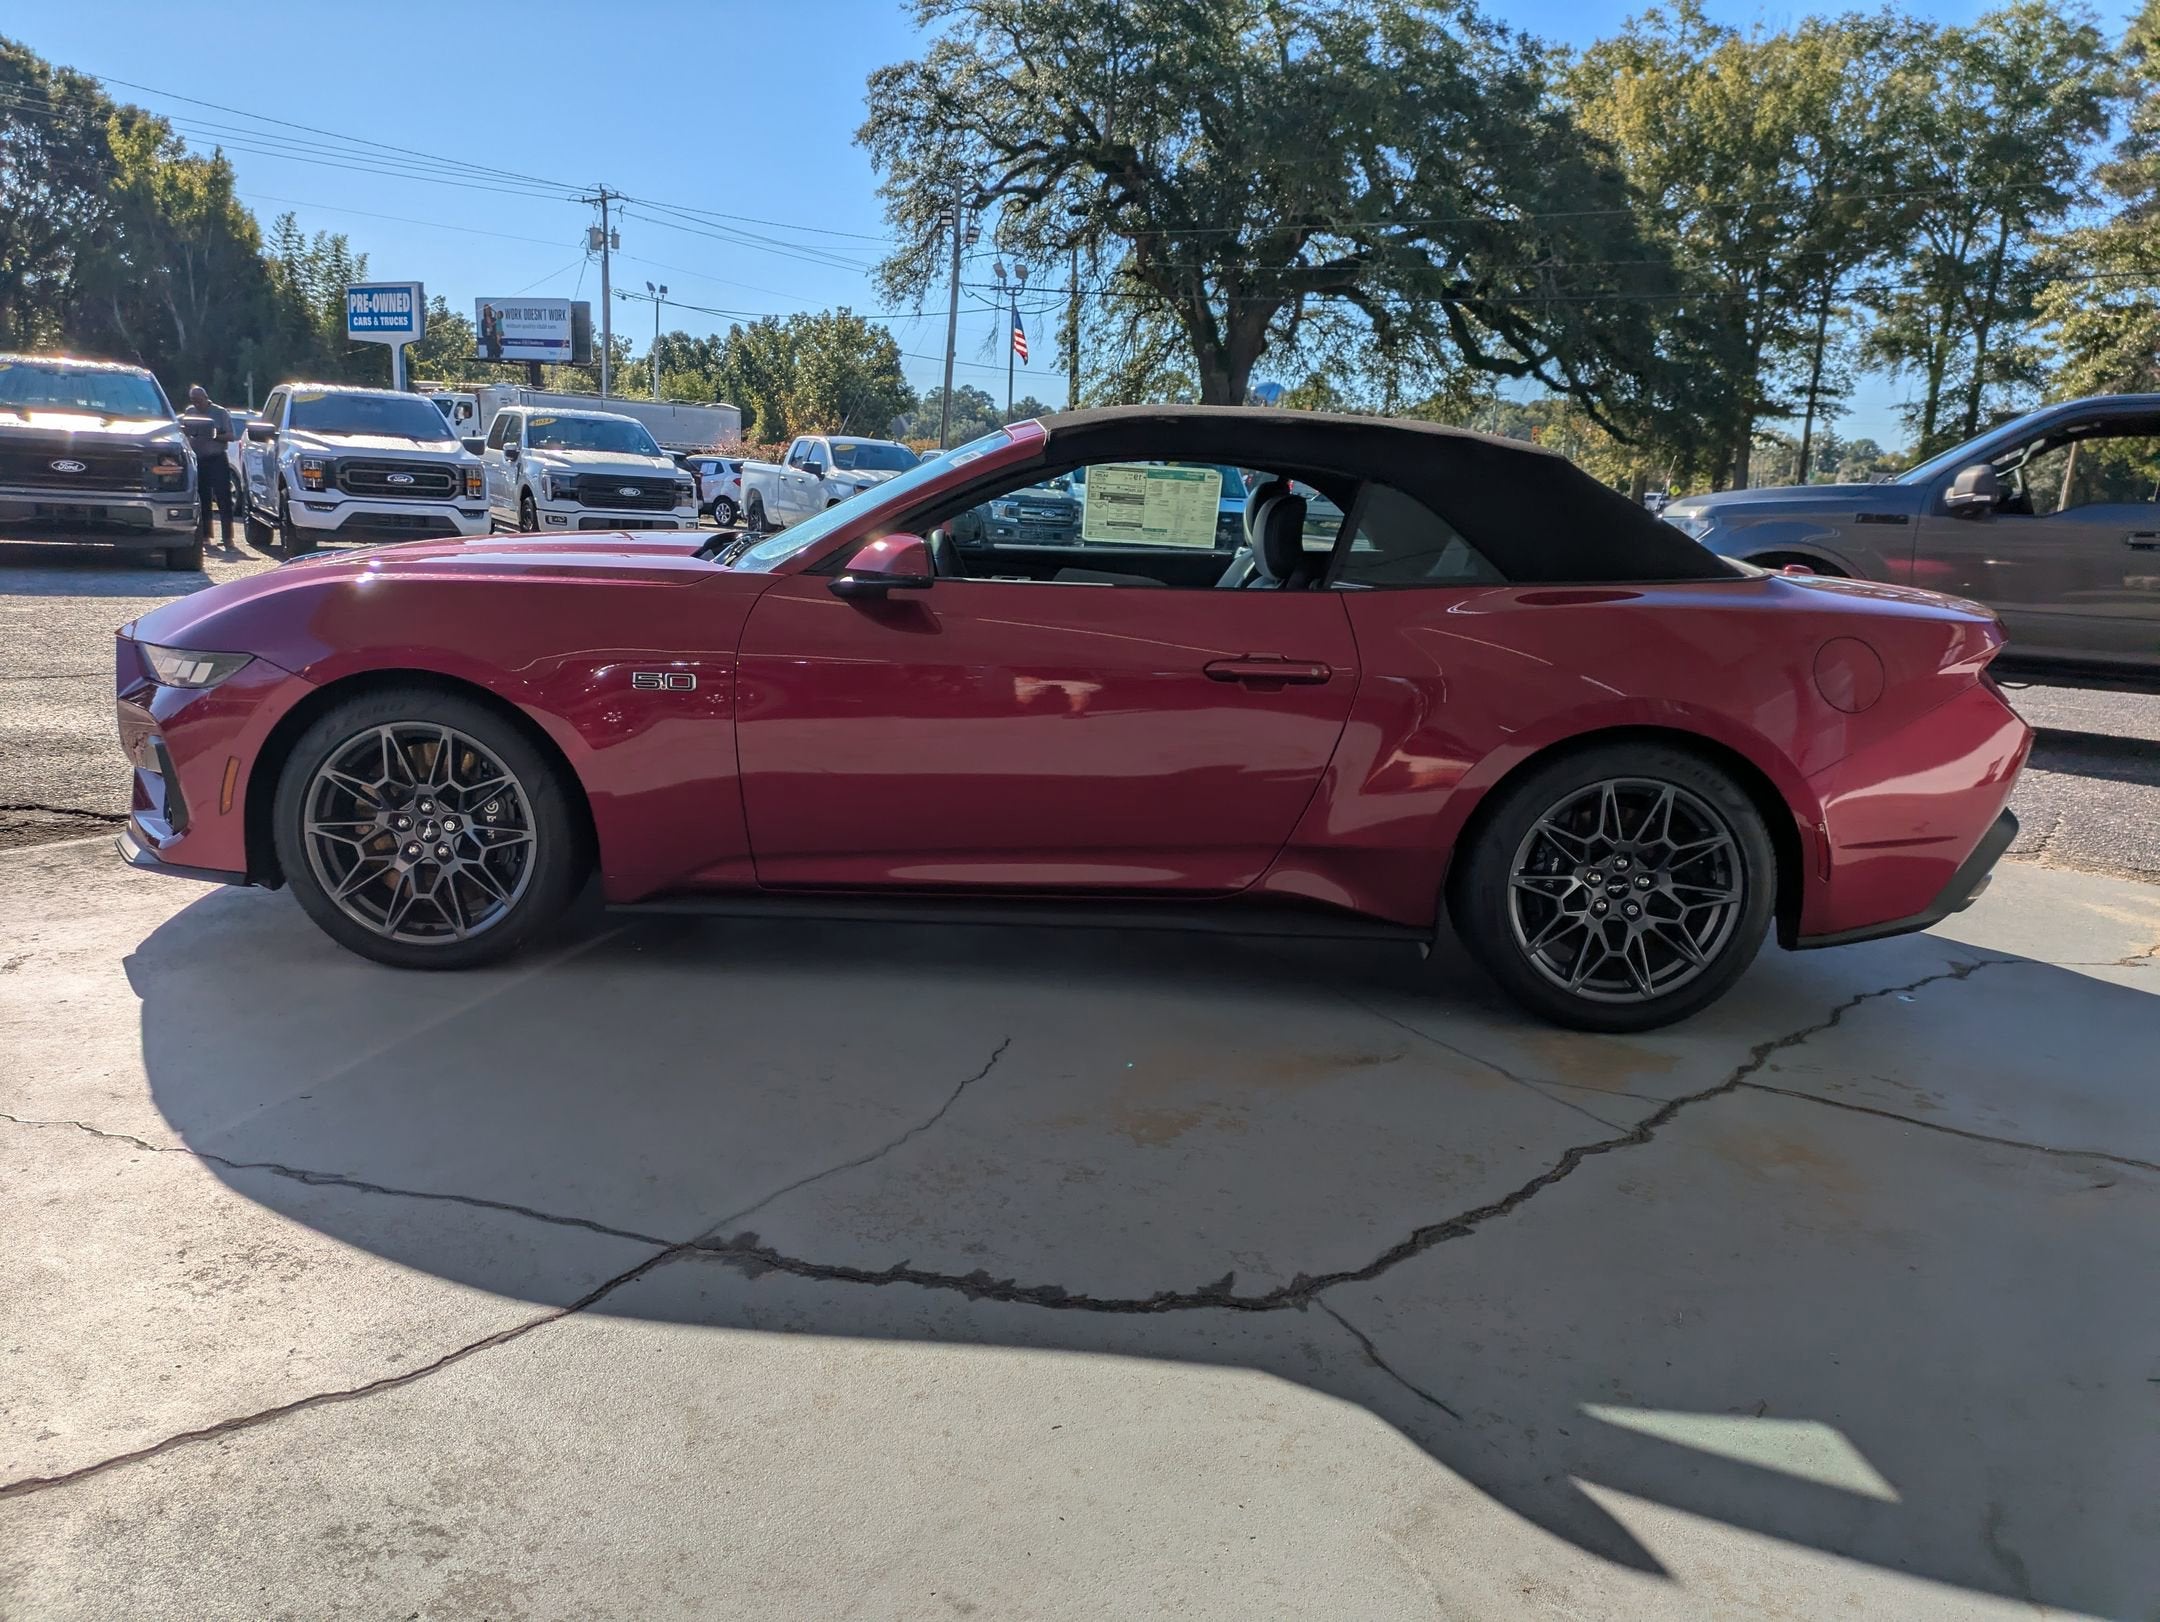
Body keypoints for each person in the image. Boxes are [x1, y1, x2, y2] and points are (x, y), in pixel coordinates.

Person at [179, 384, 236, 547]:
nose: (197, 404)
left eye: (199, 400)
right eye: (193, 401)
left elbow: (231, 435)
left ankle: (228, 537)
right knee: (203, 497)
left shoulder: (220, 412)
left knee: (223, 497)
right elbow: (184, 431)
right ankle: (205, 535)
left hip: (217, 457)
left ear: (205, 398)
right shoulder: (190, 412)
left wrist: (214, 435)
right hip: (199, 459)